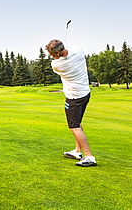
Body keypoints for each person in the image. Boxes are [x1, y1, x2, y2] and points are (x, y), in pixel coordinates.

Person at [45, 39, 97, 167]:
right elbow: (71, 50)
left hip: (74, 98)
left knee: (73, 126)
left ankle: (89, 156)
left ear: (57, 53)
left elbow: (57, 61)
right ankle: (77, 151)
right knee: (77, 124)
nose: (51, 57)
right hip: (85, 94)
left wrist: (57, 57)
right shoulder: (78, 50)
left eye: (52, 54)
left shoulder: (57, 65)